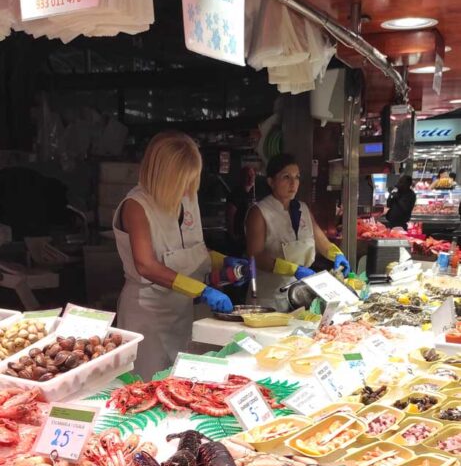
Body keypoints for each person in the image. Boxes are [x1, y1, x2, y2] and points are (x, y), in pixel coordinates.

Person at [113, 132, 248, 379]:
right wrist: (201, 290)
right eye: (183, 180)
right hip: (148, 315)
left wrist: (224, 262)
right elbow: (146, 266)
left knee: (184, 383)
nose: (188, 187)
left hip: (183, 312)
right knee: (147, 386)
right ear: (164, 175)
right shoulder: (136, 205)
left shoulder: (188, 198)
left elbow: (193, 250)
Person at [245, 152, 350, 308]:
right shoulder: (259, 212)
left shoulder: (303, 208)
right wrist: (293, 269)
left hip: (301, 295)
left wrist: (337, 255)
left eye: (297, 177)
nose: (293, 183)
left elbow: (323, 244)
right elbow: (256, 256)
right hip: (269, 298)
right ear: (271, 182)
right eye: (286, 177)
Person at [225, 166, 257, 255]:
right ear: (242, 177)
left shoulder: (250, 194)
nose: (251, 178)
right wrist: (233, 235)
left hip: (246, 237)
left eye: (253, 175)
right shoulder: (237, 194)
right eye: (248, 175)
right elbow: (230, 215)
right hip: (238, 238)